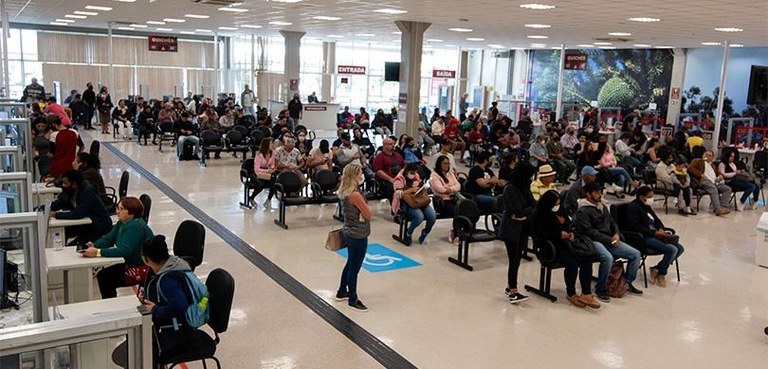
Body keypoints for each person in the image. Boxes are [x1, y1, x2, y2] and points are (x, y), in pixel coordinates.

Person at [136, 235, 201, 366]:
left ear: (147, 259)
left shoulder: (168, 280)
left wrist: (155, 309)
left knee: (141, 352)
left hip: (177, 330)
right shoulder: (160, 269)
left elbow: (180, 307)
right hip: (170, 324)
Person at [573, 182, 643, 301]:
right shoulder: (583, 211)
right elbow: (589, 232)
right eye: (596, 192)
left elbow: (612, 222)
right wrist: (609, 239)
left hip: (610, 239)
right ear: (588, 194)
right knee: (607, 258)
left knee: (635, 254)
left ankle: (626, 283)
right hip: (592, 241)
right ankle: (601, 288)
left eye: (600, 192)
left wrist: (616, 234)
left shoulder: (602, 207)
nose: (600, 194)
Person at [533, 190, 601, 308]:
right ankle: (571, 293)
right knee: (572, 263)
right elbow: (540, 233)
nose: (557, 206)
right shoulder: (539, 215)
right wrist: (558, 234)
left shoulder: (561, 211)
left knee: (586, 259)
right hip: (551, 247)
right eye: (555, 204)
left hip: (568, 244)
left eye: (558, 203)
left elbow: (570, 225)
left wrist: (571, 233)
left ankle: (586, 293)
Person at [81, 197, 153, 298]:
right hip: (131, 264)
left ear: (132, 212)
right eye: (117, 208)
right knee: (104, 276)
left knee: (105, 278)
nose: (117, 212)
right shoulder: (122, 223)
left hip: (143, 269)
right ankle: (110, 303)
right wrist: (94, 245)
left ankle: (110, 304)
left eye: (121, 209)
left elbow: (124, 251)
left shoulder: (135, 226)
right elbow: (109, 239)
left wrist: (98, 252)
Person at [626, 187, 685, 287]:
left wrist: (661, 228)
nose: (652, 199)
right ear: (642, 197)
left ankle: (657, 268)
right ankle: (662, 274)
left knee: (680, 248)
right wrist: (655, 233)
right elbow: (637, 227)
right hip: (644, 237)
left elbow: (657, 220)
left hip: (656, 234)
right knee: (672, 249)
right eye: (649, 197)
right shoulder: (634, 208)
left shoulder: (646, 206)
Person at [336, 163, 372, 312]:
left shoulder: (344, 192)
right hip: (358, 234)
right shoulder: (355, 195)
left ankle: (341, 291)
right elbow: (368, 214)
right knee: (355, 267)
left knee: (350, 262)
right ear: (354, 176)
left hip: (349, 230)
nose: (362, 175)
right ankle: (353, 298)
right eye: (360, 173)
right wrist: (367, 207)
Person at [498, 162, 536, 304]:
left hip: (522, 228)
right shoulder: (510, 189)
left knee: (517, 259)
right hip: (511, 229)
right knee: (514, 260)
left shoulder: (525, 188)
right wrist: (525, 212)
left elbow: (534, 206)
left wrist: (524, 214)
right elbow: (518, 211)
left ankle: (510, 286)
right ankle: (513, 291)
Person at [50, 170, 113, 244]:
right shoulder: (70, 192)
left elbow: (78, 214)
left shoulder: (88, 192)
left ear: (74, 184)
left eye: (65, 183)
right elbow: (59, 203)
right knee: (64, 232)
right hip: (87, 224)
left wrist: (56, 215)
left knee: (74, 245)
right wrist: (44, 208)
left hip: (98, 227)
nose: (63, 185)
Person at [393, 163, 436, 245]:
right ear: (407, 171)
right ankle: (408, 233)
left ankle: (425, 232)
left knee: (432, 216)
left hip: (419, 200)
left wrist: (421, 187)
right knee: (419, 217)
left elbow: (419, 186)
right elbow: (398, 194)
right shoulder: (398, 179)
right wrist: (411, 190)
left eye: (415, 172)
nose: (414, 174)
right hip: (406, 203)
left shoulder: (416, 176)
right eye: (412, 173)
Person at [688, 150, 732, 215]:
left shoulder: (712, 165)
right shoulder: (698, 161)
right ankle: (717, 208)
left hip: (714, 182)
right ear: (703, 155)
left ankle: (723, 207)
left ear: (712, 158)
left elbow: (718, 173)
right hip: (703, 181)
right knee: (713, 188)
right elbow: (690, 168)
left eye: (710, 155)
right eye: (706, 155)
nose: (707, 156)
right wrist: (700, 174)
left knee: (727, 189)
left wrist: (720, 175)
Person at [47, 116, 80, 180]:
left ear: (54, 125)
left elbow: (52, 152)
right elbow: (81, 146)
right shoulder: (74, 132)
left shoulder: (54, 135)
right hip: (72, 163)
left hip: (57, 164)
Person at [373, 137, 405, 203]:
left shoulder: (398, 155)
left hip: (400, 177)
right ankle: (395, 206)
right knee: (393, 188)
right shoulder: (379, 157)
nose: (393, 145)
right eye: (390, 144)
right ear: (384, 145)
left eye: (393, 144)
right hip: (387, 180)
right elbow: (378, 171)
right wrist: (390, 179)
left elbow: (404, 167)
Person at [252, 138, 277, 206]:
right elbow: (256, 169)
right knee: (261, 185)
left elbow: (272, 164)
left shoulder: (273, 153)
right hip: (258, 173)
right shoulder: (259, 155)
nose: (272, 145)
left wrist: (272, 168)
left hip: (268, 173)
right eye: (271, 144)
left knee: (275, 184)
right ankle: (251, 198)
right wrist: (267, 171)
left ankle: (268, 199)